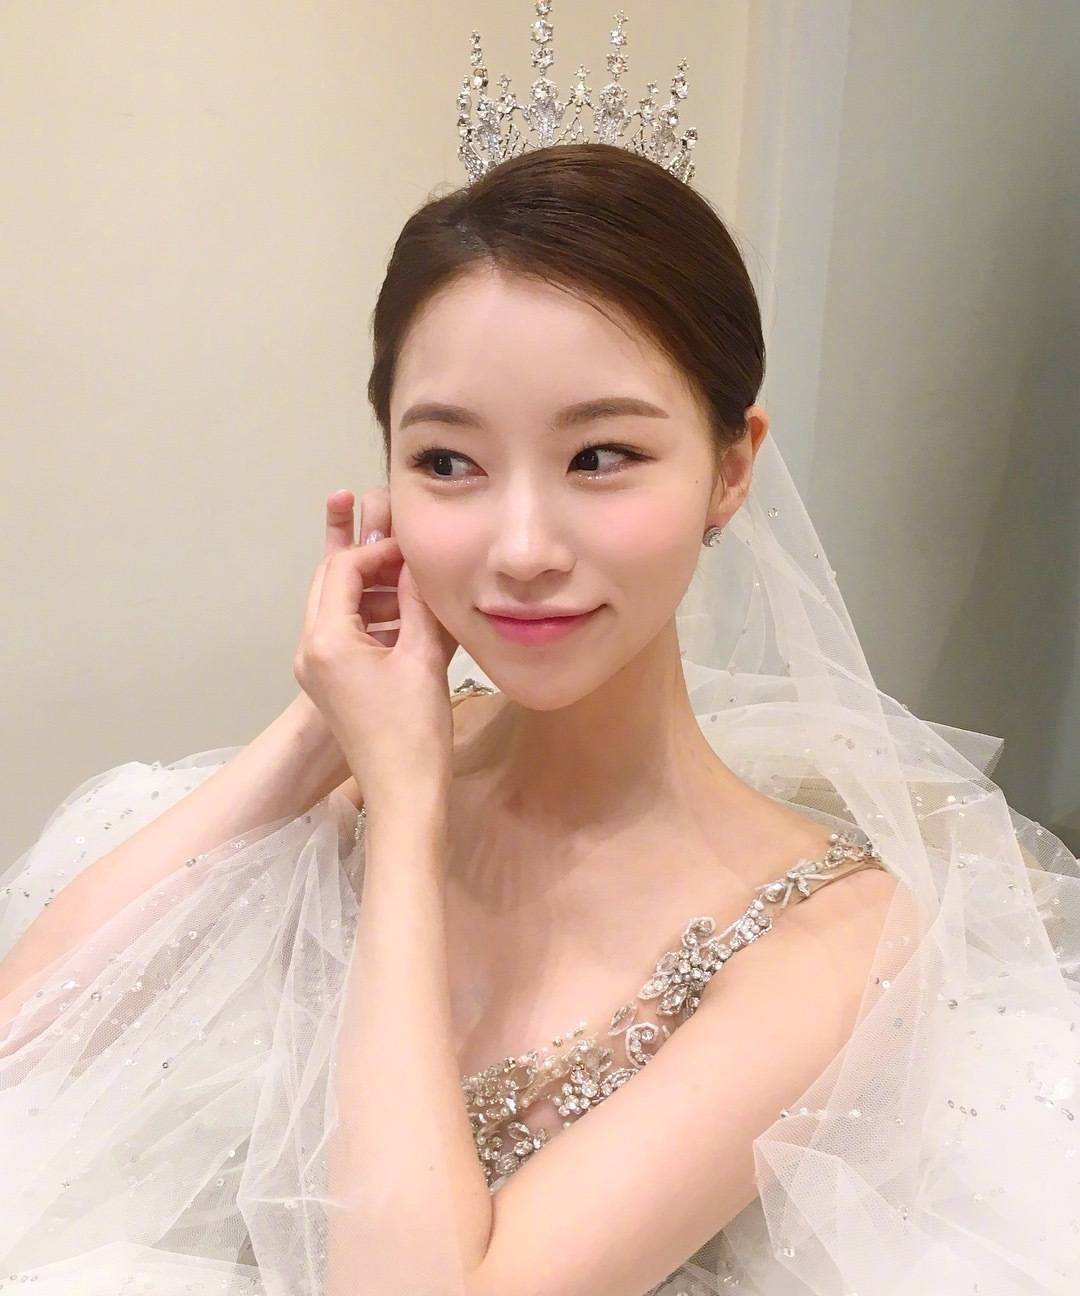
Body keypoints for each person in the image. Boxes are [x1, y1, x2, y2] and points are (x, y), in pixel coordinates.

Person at [2, 58, 1079, 1296]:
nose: (520, 549)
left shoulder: (838, 938)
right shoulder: (377, 757)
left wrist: (410, 813)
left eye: (601, 455)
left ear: (733, 469)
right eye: (448, 462)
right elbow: (27, 1048)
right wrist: (316, 733)